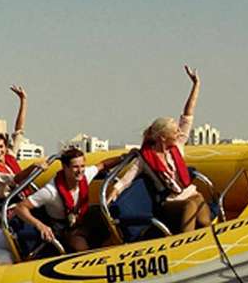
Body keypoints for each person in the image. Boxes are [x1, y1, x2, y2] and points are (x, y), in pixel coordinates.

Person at [127, 65, 214, 232]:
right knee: (190, 205)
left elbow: (188, 114)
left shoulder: (178, 145)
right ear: (163, 137)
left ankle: (207, 240)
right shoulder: (144, 160)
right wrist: (111, 196)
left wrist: (196, 85)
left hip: (189, 194)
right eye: (175, 132)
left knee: (202, 214)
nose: (179, 133)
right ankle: (185, 242)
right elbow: (125, 181)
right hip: (170, 203)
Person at [26, 147, 112, 254]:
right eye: (75, 167)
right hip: (62, 230)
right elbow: (21, 207)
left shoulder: (85, 175)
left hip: (81, 222)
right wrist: (40, 225)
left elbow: (103, 165)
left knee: (107, 220)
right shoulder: (51, 191)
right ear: (65, 167)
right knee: (81, 245)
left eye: (82, 166)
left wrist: (125, 157)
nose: (80, 171)